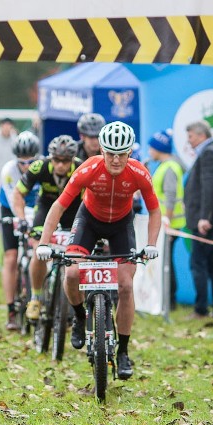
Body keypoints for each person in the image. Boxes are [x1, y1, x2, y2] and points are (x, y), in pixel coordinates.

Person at [35, 121, 160, 379]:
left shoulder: (139, 173)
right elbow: (58, 206)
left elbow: (155, 210)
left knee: (125, 285)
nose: (116, 160)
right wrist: (44, 243)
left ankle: (123, 352)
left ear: (130, 153)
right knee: (71, 274)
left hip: (121, 226)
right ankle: (80, 317)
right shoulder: (88, 169)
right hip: (89, 221)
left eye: (122, 154)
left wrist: (151, 245)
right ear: (101, 151)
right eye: (110, 154)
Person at [16, 135, 83, 322]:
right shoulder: (40, 166)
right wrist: (22, 219)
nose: (61, 165)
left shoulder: (81, 168)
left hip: (73, 211)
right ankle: (36, 298)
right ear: (50, 157)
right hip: (45, 209)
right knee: (39, 251)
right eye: (57, 160)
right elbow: (18, 193)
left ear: (72, 160)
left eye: (65, 161)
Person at [184, 121, 213, 320]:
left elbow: (209, 188)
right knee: (212, 264)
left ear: (201, 135)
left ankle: (201, 309)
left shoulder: (209, 153)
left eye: (191, 136)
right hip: (209, 219)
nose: (189, 140)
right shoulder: (211, 151)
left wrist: (204, 217)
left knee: (199, 264)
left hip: (206, 221)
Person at [0, 131, 40, 330]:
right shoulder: (8, 171)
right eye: (22, 163)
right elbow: (15, 200)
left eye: (30, 162)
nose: (26, 167)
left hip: (34, 209)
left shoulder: (42, 168)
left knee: (37, 251)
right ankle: (11, 310)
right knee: (11, 256)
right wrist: (22, 220)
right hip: (10, 207)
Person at [147, 129, 184, 309]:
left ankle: (170, 301)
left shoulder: (169, 168)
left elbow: (169, 197)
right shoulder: (165, 166)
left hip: (169, 224)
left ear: (158, 148)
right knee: (165, 263)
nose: (149, 152)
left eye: (151, 148)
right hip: (165, 223)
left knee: (166, 265)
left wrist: (167, 223)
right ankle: (167, 300)